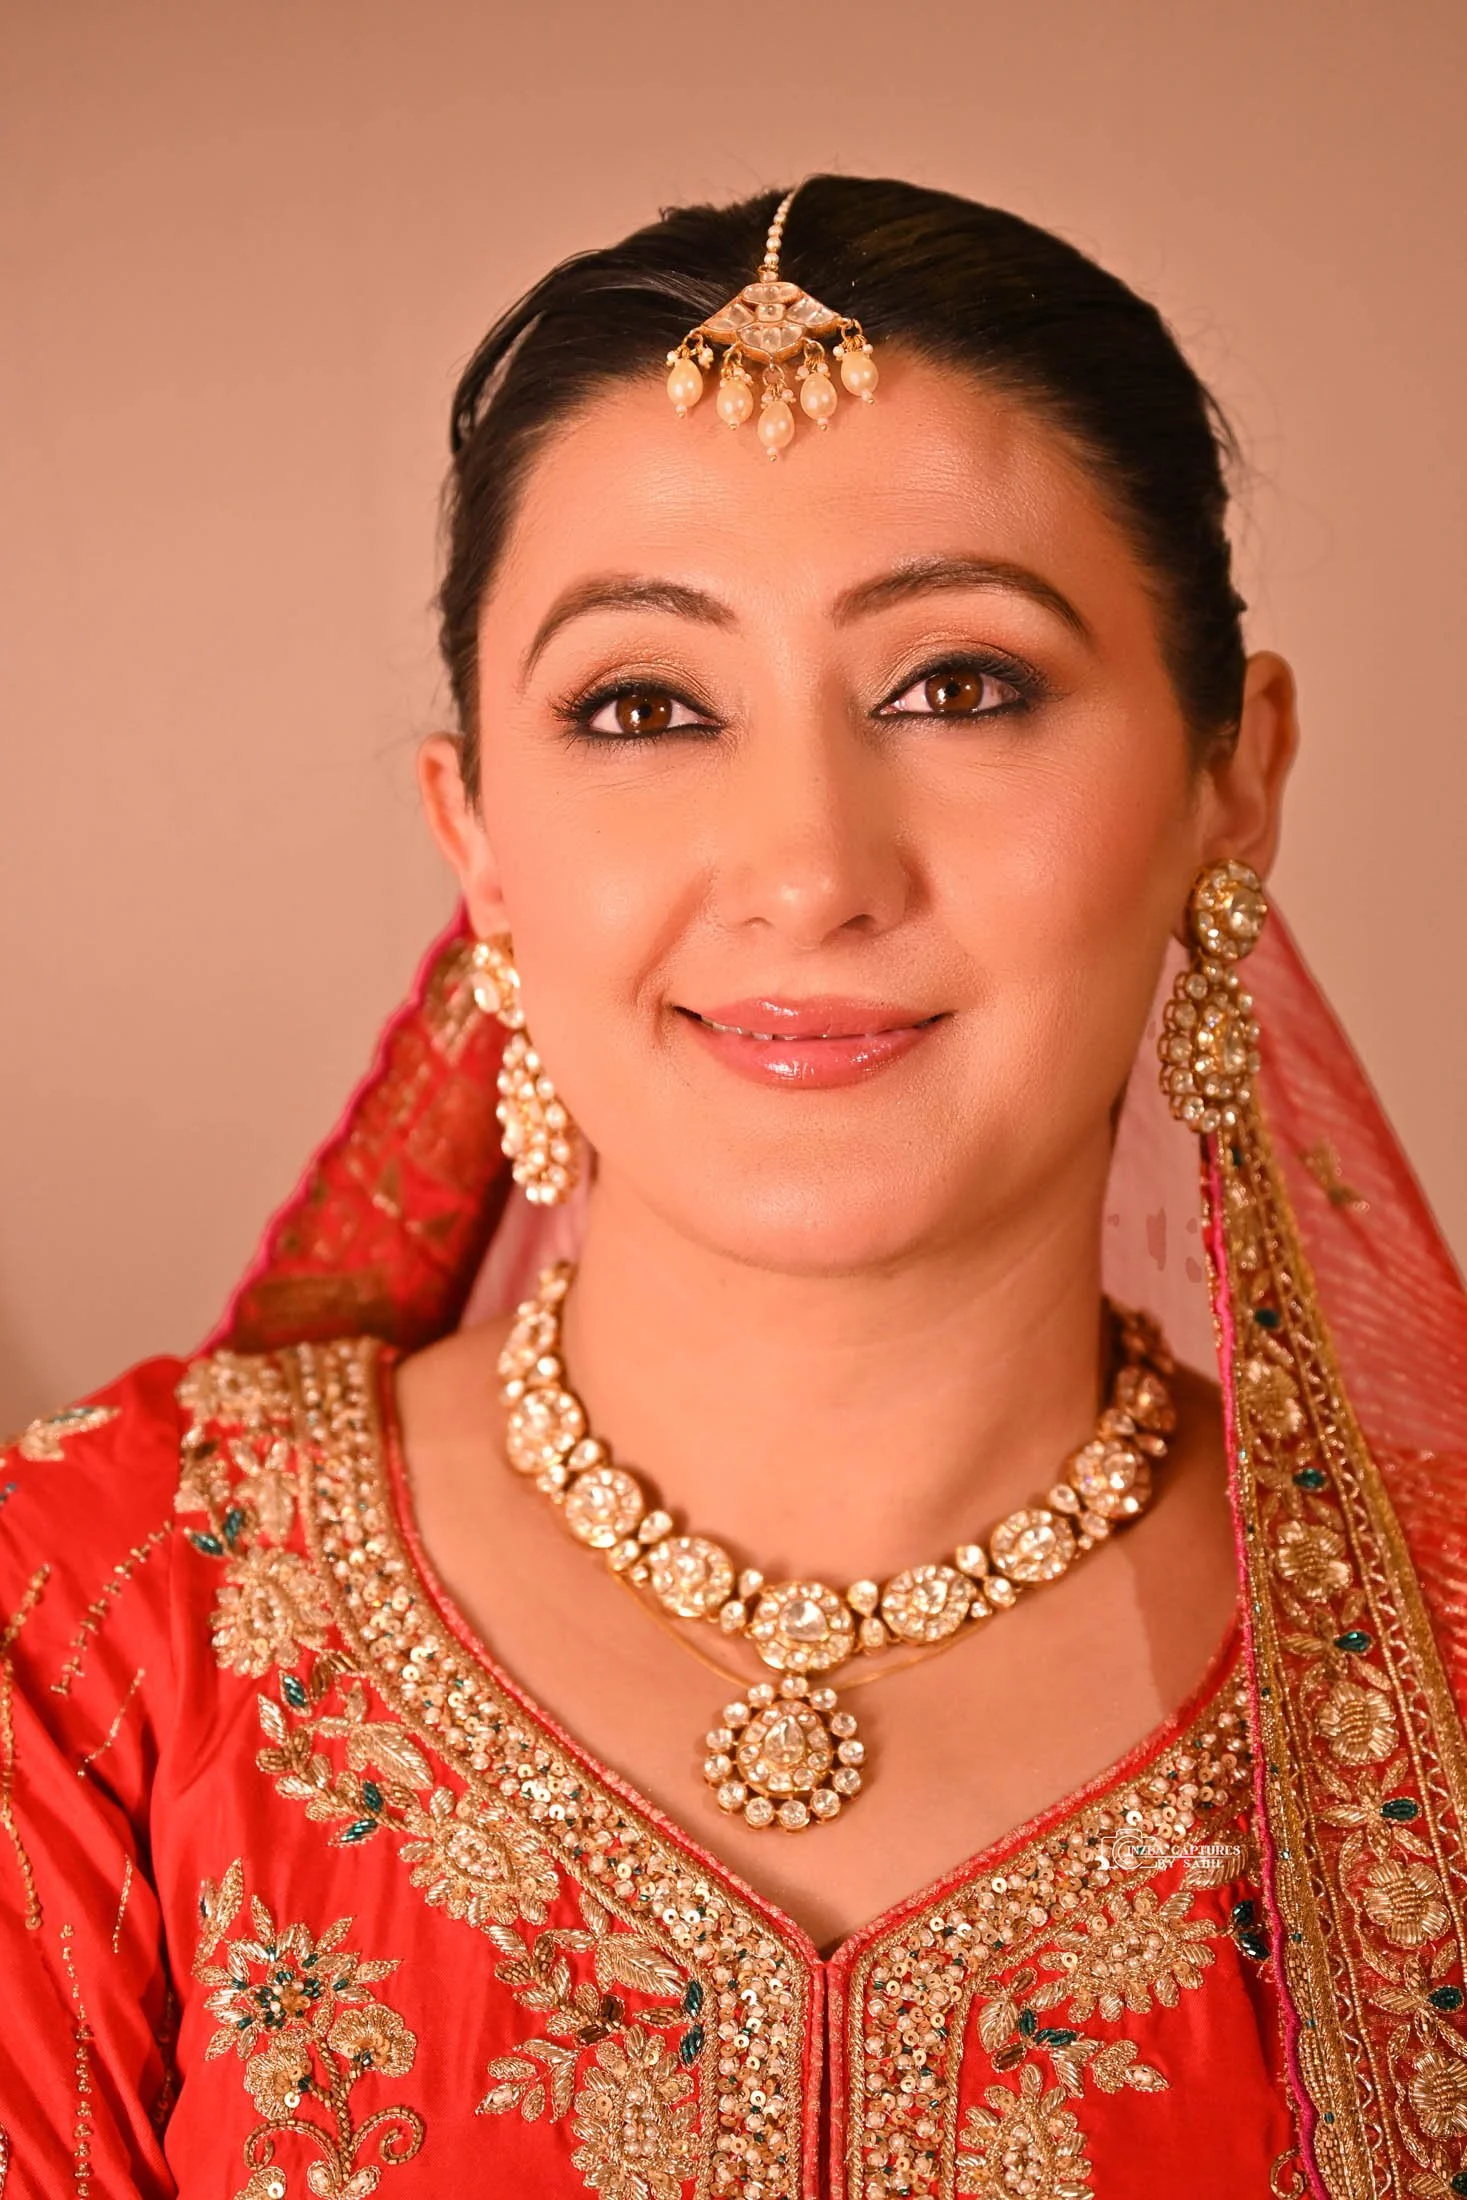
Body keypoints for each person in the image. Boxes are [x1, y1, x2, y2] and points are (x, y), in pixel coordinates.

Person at [2, 174, 1465, 2200]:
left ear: (1238, 773)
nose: (804, 863)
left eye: (958, 682)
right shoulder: (91, 1627)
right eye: (643, 706)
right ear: (477, 831)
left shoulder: (1445, 1671)